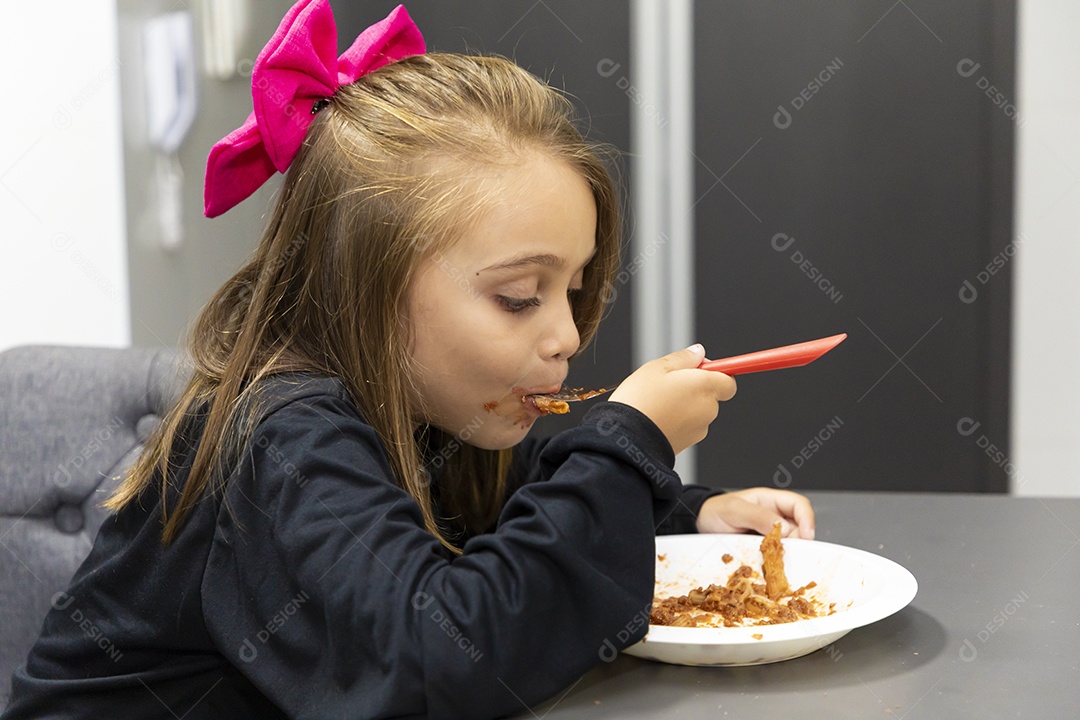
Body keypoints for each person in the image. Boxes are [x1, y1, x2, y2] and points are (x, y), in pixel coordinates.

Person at [3, 2, 814, 718]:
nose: (567, 334)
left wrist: (683, 512)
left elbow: (521, 494)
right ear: (373, 289)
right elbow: (443, 655)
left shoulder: (424, 409)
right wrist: (630, 440)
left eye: (574, 288)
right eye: (520, 296)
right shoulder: (287, 444)